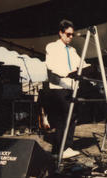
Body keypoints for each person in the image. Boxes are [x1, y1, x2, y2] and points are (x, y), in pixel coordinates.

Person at [43, 19, 89, 159]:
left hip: (71, 87)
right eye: (68, 34)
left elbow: (81, 64)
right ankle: (59, 149)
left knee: (72, 116)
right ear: (60, 33)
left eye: (72, 35)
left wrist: (91, 69)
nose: (70, 37)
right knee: (63, 118)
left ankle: (66, 147)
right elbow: (51, 66)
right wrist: (67, 73)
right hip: (58, 87)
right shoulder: (52, 47)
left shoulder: (72, 50)